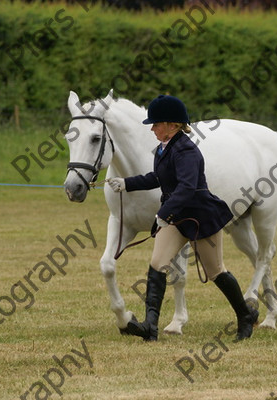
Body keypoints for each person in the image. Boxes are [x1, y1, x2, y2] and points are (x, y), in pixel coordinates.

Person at [107, 94, 259, 342]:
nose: (153, 128)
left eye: (156, 124)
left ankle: (244, 315)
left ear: (173, 125)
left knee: (215, 271)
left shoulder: (187, 151)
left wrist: (162, 215)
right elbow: (158, 178)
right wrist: (126, 183)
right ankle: (150, 327)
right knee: (157, 264)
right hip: (176, 215)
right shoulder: (162, 149)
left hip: (200, 216)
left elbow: (187, 189)